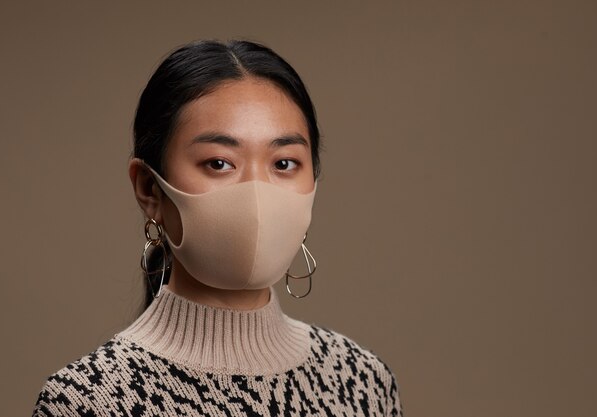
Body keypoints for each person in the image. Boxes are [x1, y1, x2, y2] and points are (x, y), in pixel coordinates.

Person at [32, 39, 403, 416]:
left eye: (285, 163)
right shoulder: (87, 401)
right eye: (219, 163)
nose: (257, 193)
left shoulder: (361, 382)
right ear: (149, 189)